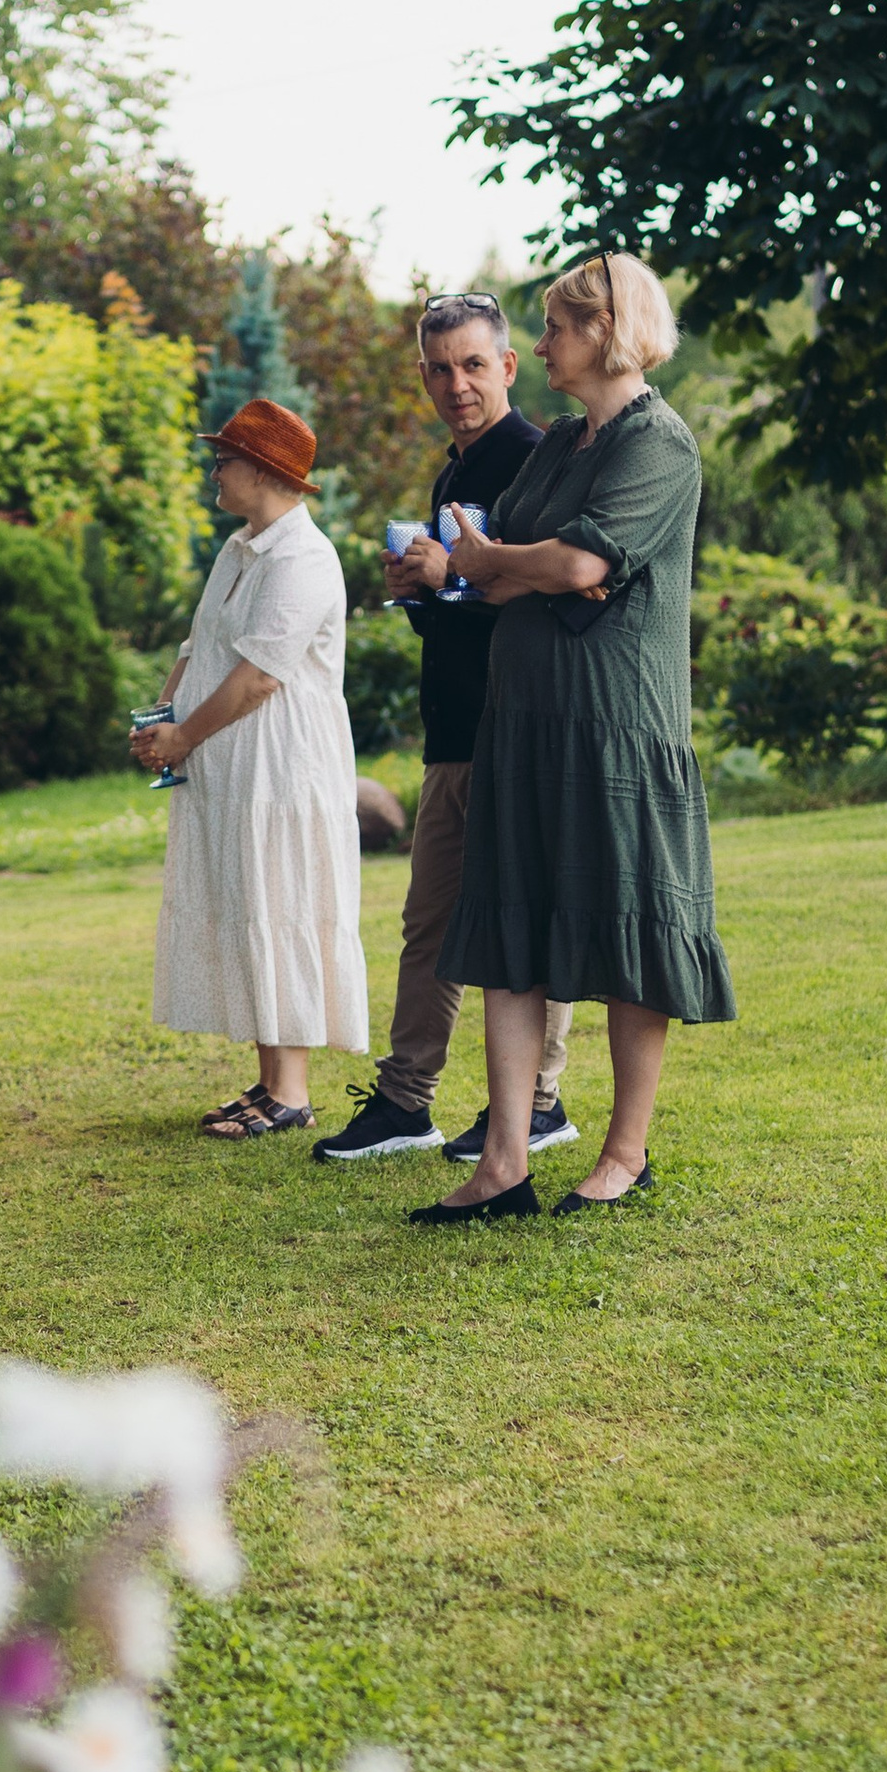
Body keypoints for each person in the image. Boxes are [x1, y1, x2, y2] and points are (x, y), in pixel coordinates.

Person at [414, 254, 735, 1228]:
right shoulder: (558, 445)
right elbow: (524, 569)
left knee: (628, 934)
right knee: (512, 938)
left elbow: (576, 558)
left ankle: (622, 1155)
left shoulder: (659, 444)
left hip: (614, 732)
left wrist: (520, 563)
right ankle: (502, 1165)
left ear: (606, 332)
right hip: (519, 725)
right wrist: (530, 567)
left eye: (554, 327)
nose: (541, 344)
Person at [312, 292, 576, 1167]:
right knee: (430, 925)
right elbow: (467, 616)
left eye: (472, 364)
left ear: (508, 366)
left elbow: (548, 610)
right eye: (439, 367)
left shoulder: (540, 463)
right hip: (455, 733)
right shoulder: (453, 472)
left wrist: (452, 575)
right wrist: (425, 589)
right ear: (422, 376)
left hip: (519, 732)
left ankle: (540, 1104)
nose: (456, 383)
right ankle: (404, 1101)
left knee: (524, 922)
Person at [133, 395, 366, 1135]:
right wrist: (162, 721)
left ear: (262, 470)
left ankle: (291, 1092)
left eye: (223, 460)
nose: (215, 473)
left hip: (283, 769)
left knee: (283, 902)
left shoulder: (304, 558)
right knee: (251, 903)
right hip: (234, 765)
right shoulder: (241, 548)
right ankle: (270, 1083)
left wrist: (186, 738)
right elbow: (201, 646)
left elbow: (259, 677)